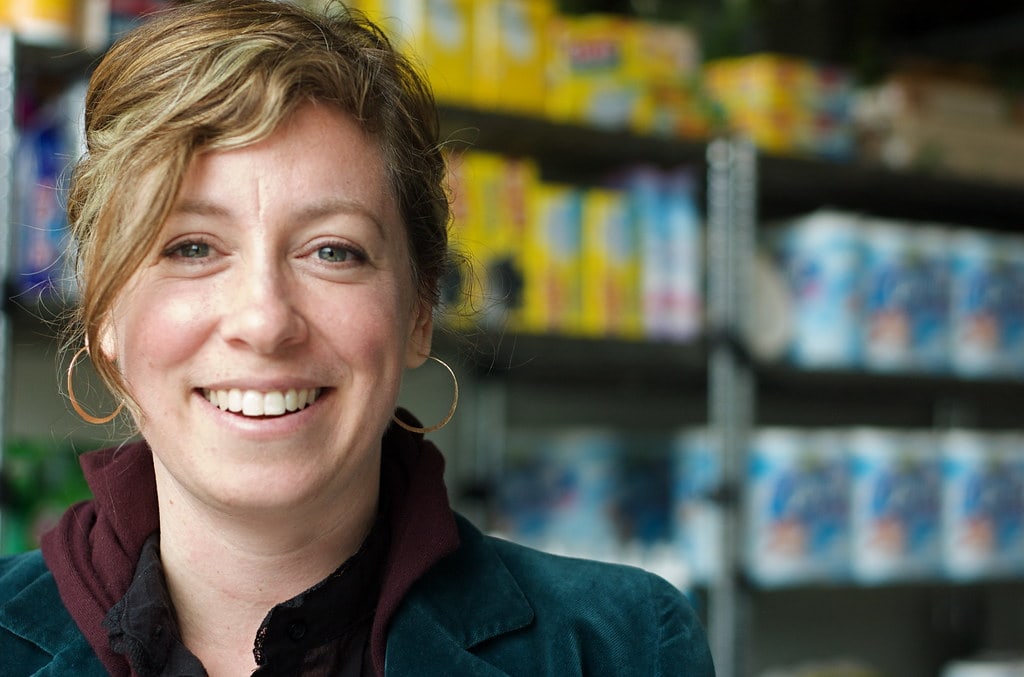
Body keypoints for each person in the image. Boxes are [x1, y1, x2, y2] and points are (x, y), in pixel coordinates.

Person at [0, 1, 716, 675]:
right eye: (191, 247)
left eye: (333, 251)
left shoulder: (621, 645)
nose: (265, 320)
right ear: (105, 315)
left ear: (418, 309)